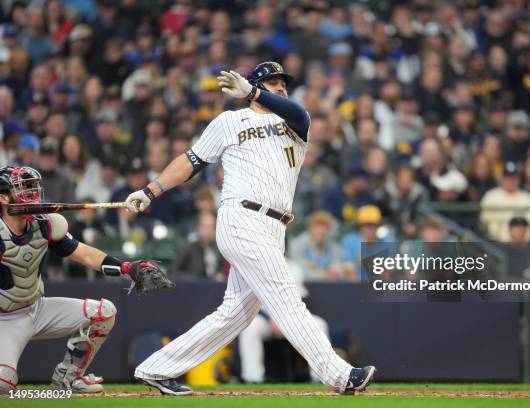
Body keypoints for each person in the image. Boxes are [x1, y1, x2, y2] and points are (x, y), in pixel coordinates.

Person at [124, 62, 375, 396]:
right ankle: (341, 375)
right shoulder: (229, 121)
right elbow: (191, 161)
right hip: (242, 216)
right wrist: (150, 190)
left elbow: (296, 110)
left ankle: (156, 368)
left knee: (235, 314)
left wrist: (255, 91)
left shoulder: (295, 122)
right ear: (254, 86)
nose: (281, 87)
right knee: (286, 297)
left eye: (283, 83)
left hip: (276, 226)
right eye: (272, 82)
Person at [0, 165, 170, 394]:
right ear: (3, 198)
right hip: (5, 320)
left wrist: (127, 267)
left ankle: (69, 377)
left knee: (104, 312)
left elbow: (86, 255)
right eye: (23, 190)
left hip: (36, 307)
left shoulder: (46, 224)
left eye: (32, 189)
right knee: (4, 384)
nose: (32, 195)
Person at [238, 259, 330, 384]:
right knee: (250, 328)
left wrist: (286, 320)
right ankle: (253, 377)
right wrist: (271, 318)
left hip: (293, 317)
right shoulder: (255, 266)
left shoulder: (294, 267)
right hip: (266, 319)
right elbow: (252, 300)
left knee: (320, 324)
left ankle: (320, 377)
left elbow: (301, 297)